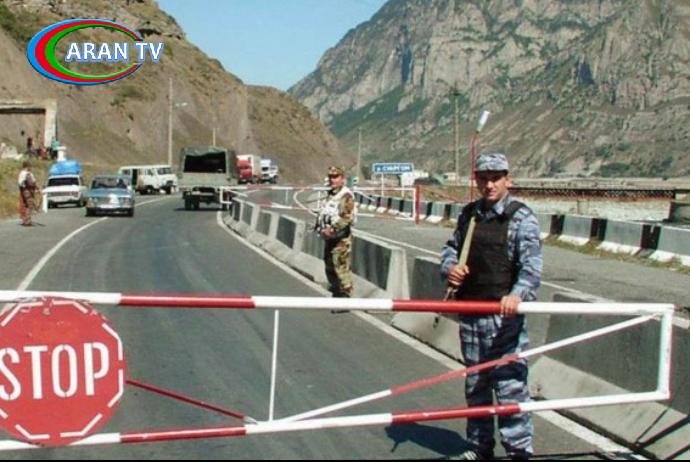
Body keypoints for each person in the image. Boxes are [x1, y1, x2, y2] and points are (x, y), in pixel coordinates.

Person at [440, 153, 542, 461]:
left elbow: (531, 268)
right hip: (471, 314)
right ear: (476, 180)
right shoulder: (469, 215)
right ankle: (479, 447)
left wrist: (517, 295)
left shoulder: (521, 218)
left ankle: (518, 451)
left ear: (507, 179)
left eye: (496, 178)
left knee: (510, 386)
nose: (489, 185)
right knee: (476, 386)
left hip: (503, 319)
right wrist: (450, 268)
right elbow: (451, 248)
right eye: (483, 179)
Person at [315, 166, 356, 300]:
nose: (333, 180)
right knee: (330, 267)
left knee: (341, 269)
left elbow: (346, 218)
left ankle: (344, 299)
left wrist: (331, 229)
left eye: (336, 177)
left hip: (341, 240)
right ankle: (336, 296)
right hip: (330, 239)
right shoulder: (331, 195)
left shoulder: (346, 196)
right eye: (331, 177)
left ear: (342, 179)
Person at [17, 161, 40, 226]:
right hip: (28, 191)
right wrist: (36, 187)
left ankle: (24, 220)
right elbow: (31, 183)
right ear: (27, 166)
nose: (31, 168)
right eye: (30, 166)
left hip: (23, 191)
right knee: (29, 206)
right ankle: (27, 221)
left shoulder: (21, 173)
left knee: (24, 205)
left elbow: (20, 183)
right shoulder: (27, 174)